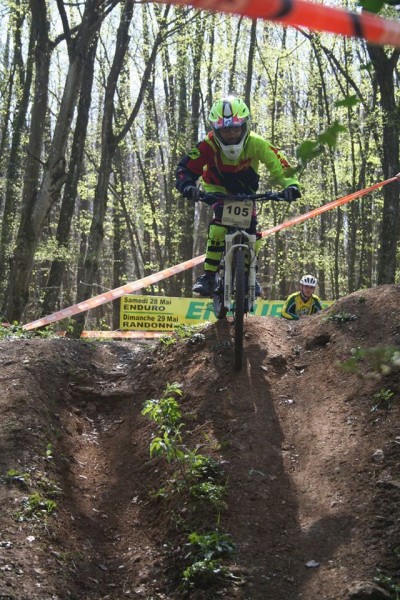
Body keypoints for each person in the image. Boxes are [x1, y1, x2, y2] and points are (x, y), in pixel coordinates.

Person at [176, 96, 301, 297]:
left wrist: (291, 186)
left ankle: (250, 275)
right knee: (218, 227)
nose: (232, 135)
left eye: (236, 128)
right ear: (216, 130)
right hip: (217, 188)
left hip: (246, 192)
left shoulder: (257, 143)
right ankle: (209, 276)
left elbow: (280, 166)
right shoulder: (208, 144)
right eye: (226, 130)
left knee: (252, 233)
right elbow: (185, 168)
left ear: (245, 126)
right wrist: (188, 186)